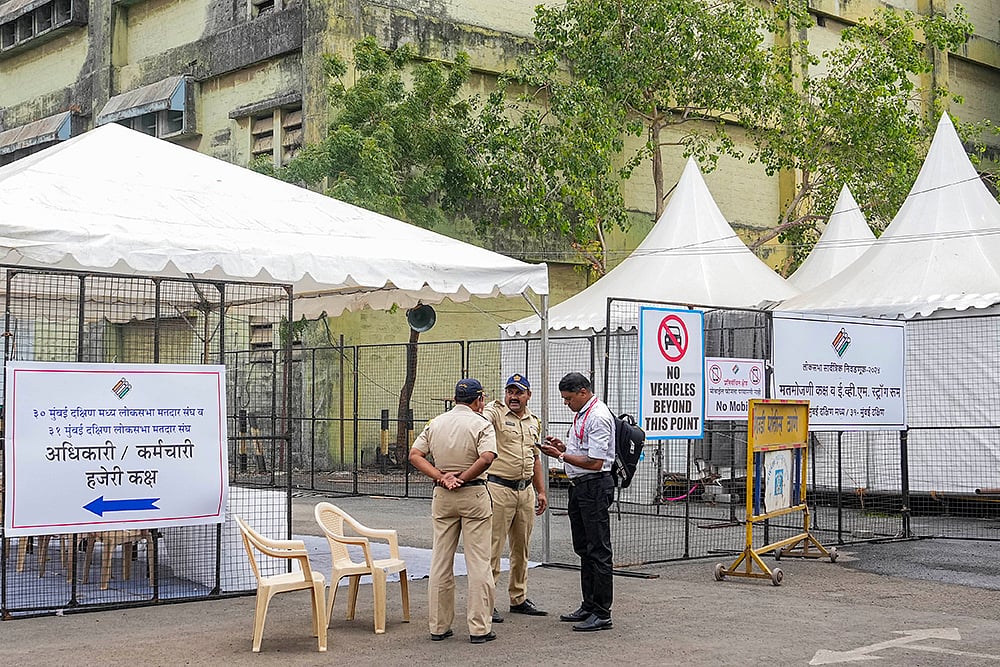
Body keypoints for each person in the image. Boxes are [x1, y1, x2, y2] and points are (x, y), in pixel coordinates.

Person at [409, 378, 499, 644]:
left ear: (456, 398)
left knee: (440, 560)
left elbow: (415, 455)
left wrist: (441, 477)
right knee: (479, 562)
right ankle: (479, 628)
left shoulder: (436, 423)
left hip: (443, 496)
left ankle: (438, 626)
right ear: (479, 399)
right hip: (473, 494)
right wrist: (463, 477)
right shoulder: (481, 424)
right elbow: (487, 457)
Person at [539, 371, 616, 632]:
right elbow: (584, 450)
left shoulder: (598, 416)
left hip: (594, 486)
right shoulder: (583, 413)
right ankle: (589, 603)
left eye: (568, 398)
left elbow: (595, 462)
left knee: (598, 549)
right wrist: (566, 448)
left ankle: (603, 611)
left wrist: (561, 456)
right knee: (584, 548)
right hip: (580, 487)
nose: (566, 403)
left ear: (583, 392)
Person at [483, 373, 548, 624]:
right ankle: (487, 602)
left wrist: (541, 491)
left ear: (528, 395)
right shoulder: (496, 414)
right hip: (498, 489)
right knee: (493, 548)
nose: (513, 396)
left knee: (522, 548)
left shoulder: (534, 421)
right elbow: (481, 420)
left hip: (525, 491)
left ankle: (518, 598)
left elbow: (536, 458)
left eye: (519, 392)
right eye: (510, 391)